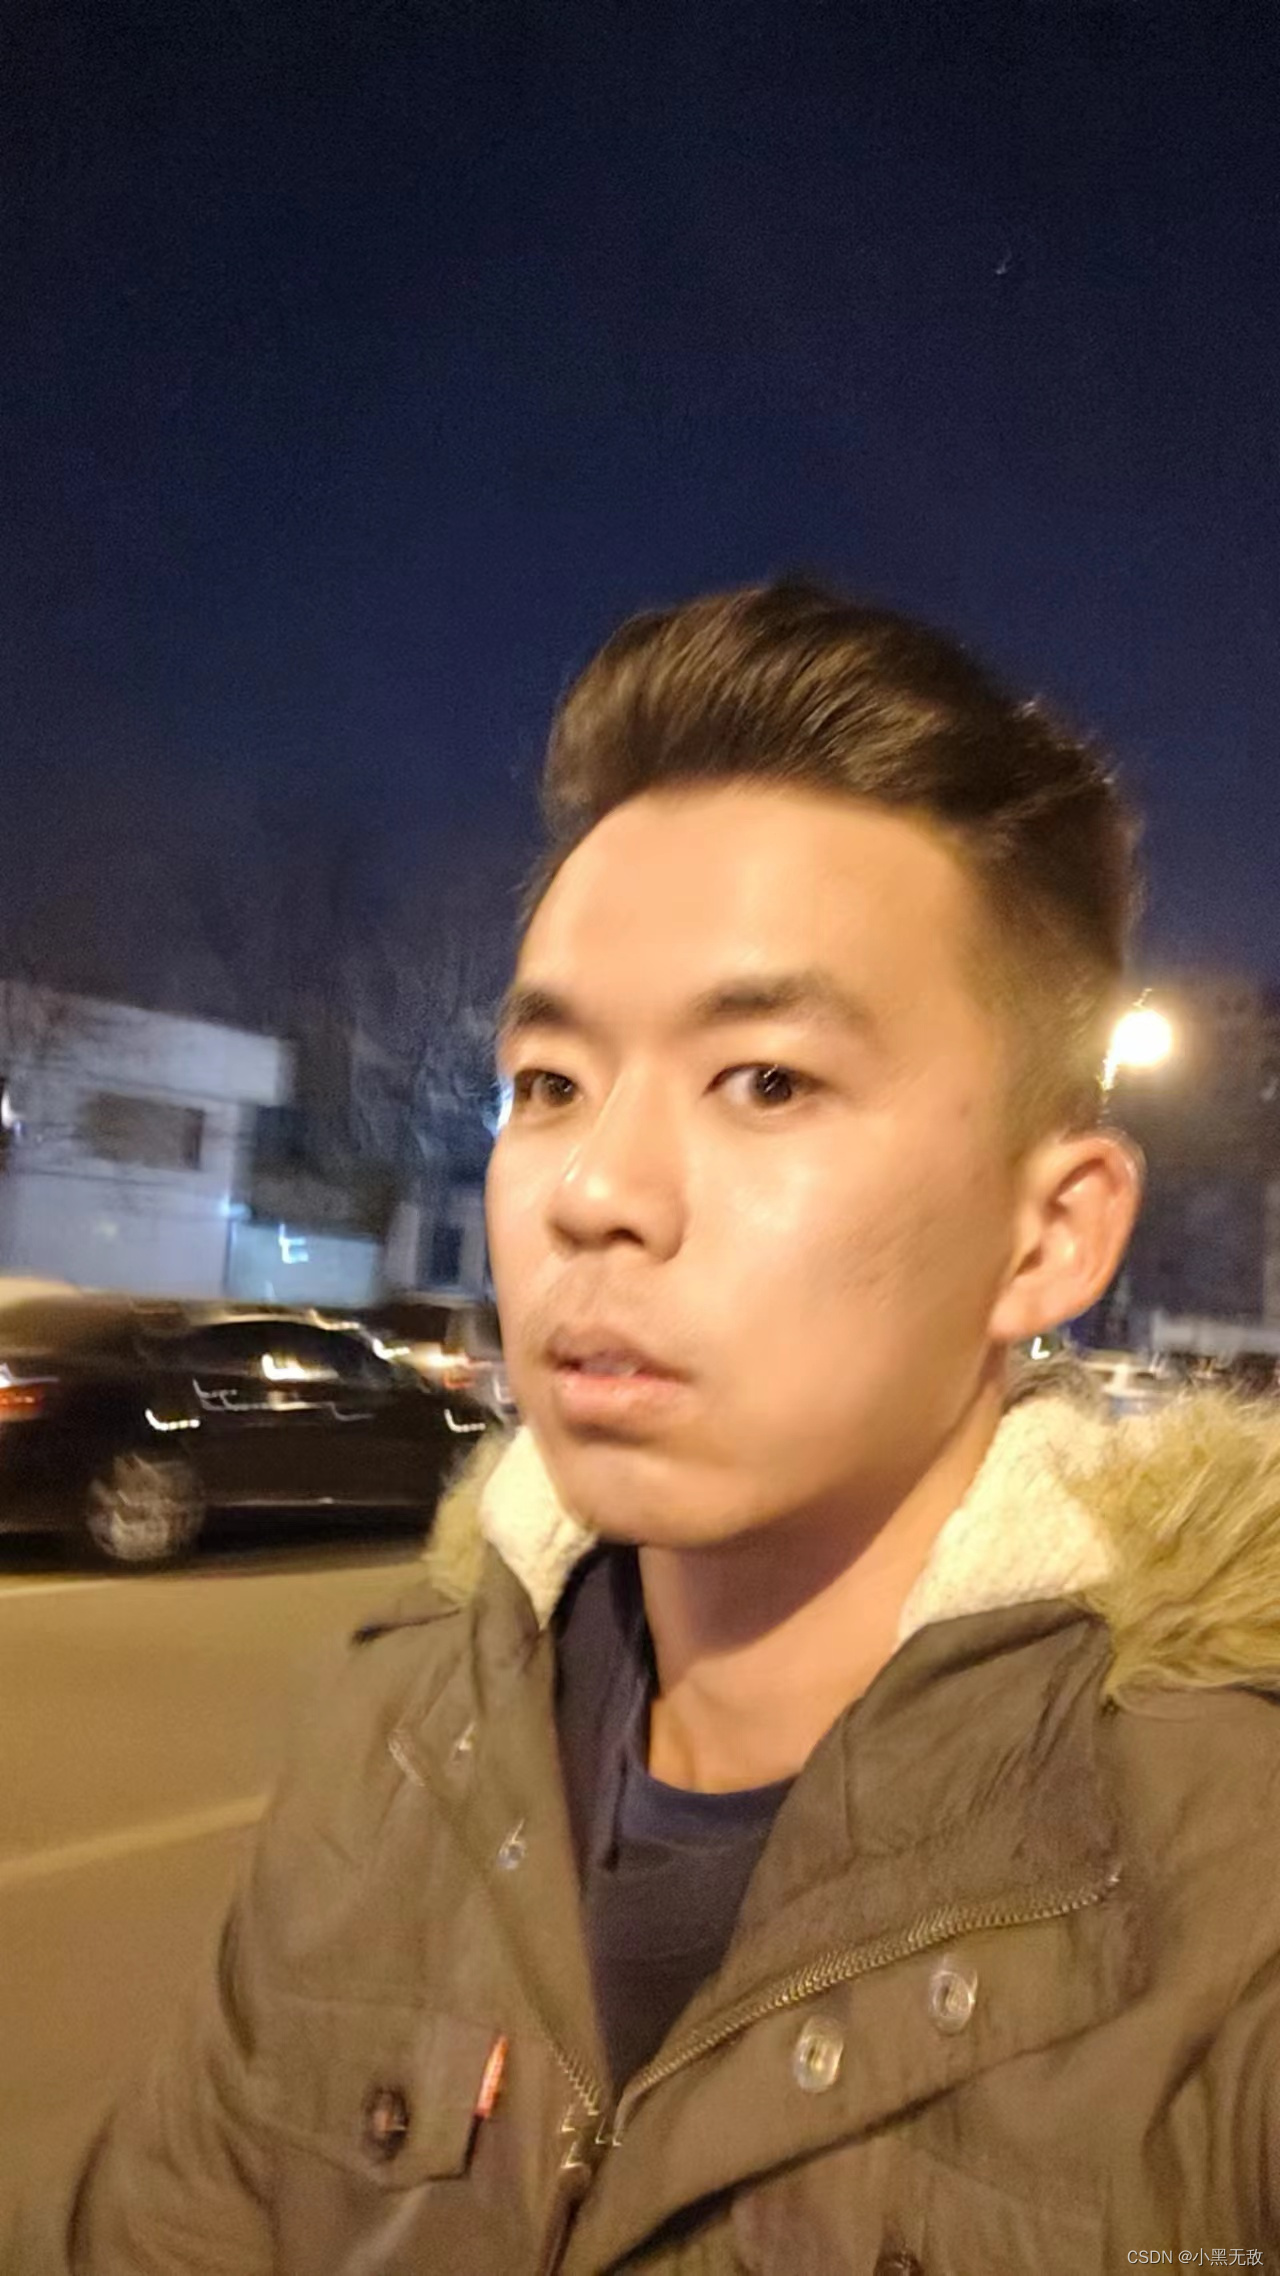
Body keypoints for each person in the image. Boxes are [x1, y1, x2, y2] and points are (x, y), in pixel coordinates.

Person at [17, 582, 1280, 2272]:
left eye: (766, 1080)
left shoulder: (1232, 1908)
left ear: (1048, 1235)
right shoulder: (392, 1741)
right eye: (549, 1085)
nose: (594, 1188)